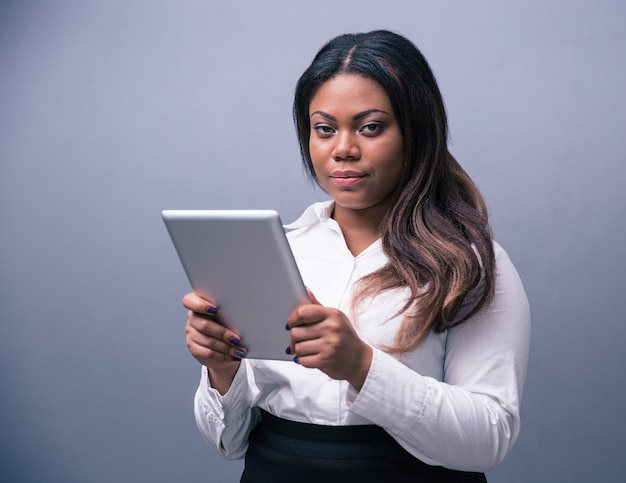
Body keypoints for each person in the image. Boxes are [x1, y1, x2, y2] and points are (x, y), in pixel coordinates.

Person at [182, 30, 530, 482]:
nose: (342, 148)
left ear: (415, 133)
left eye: (370, 127)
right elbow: (228, 444)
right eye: (324, 129)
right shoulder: (277, 252)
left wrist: (361, 366)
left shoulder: (471, 263)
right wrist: (220, 369)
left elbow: (489, 439)